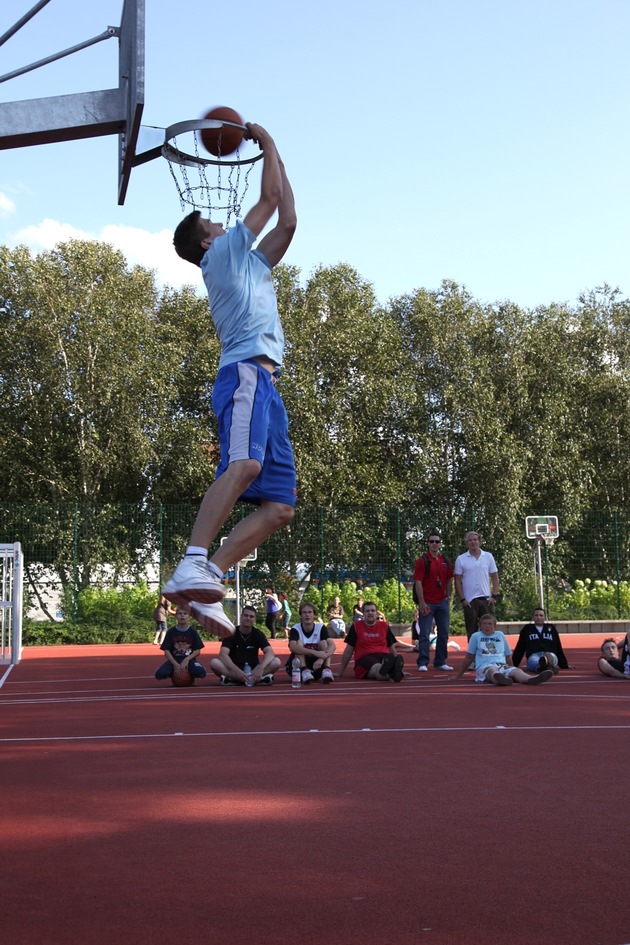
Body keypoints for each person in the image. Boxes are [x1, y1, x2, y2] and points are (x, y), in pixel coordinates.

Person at [162, 123, 297, 640]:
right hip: (243, 373)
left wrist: (280, 160)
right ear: (205, 239)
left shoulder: (251, 263)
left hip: (268, 382)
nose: (221, 223)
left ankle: (209, 574)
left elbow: (287, 218)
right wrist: (268, 143)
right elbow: (266, 197)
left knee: (280, 507)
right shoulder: (219, 255)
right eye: (214, 223)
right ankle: (192, 559)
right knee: (243, 463)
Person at [452, 613, 553, 686]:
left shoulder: (500, 635)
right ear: (480, 626)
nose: (487, 626)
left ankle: (531, 679)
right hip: (484, 666)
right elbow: (469, 657)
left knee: (516, 671)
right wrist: (458, 676)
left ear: (494, 626)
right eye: (484, 624)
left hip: (501, 664)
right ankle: (500, 679)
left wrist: (512, 667)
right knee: (492, 671)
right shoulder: (476, 636)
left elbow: (508, 655)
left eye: (490, 624)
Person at [413, 531, 454, 672]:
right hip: (428, 602)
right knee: (424, 633)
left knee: (443, 633)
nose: (434, 544)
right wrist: (422, 602)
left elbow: (450, 579)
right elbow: (418, 582)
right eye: (432, 541)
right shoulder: (422, 560)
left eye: (437, 541)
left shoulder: (445, 561)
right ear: (428, 543)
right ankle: (423, 662)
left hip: (442, 602)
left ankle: (440, 661)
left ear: (440, 544)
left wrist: (448, 595)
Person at [209, 604, 281, 685]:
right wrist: (237, 671)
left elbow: (270, 652)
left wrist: (261, 668)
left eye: (251, 616)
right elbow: (223, 654)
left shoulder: (258, 634)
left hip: (254, 670)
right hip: (234, 670)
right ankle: (254, 680)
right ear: (241, 617)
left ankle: (234, 680)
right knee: (214, 663)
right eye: (246, 615)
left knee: (276, 662)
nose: (248, 618)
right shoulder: (231, 633)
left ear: (255, 619)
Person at [338, 601, 404, 682]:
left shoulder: (384, 626)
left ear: (376, 613)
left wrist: (396, 660)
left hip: (384, 656)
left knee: (386, 660)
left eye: (372, 611)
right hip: (364, 658)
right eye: (367, 611)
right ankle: (391, 673)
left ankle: (393, 670)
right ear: (363, 613)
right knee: (377, 668)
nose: (370, 613)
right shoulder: (356, 626)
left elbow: (391, 647)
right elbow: (349, 650)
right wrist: (340, 672)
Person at [453, 532, 500, 640]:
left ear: (479, 541)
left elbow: (495, 577)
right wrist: (463, 599)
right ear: (466, 543)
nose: (473, 542)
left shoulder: (488, 557)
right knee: (472, 631)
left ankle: (491, 654)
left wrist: (494, 596)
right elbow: (457, 581)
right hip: (470, 601)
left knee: (490, 630)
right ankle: (473, 655)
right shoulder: (461, 559)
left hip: (486, 600)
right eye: (470, 540)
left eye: (475, 539)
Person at [154, 603, 207, 684]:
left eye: (185, 614)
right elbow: (166, 651)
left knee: (201, 673)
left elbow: (197, 651)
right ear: (176, 616)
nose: (182, 616)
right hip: (174, 659)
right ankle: (172, 674)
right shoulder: (171, 632)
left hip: (189, 659)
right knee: (160, 674)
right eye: (180, 613)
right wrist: (175, 664)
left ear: (189, 617)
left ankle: (192, 676)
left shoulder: (192, 632)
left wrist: (186, 659)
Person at [286, 602, 336, 684]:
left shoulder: (321, 627)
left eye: (310, 612)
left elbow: (332, 646)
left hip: (317, 666)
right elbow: (292, 647)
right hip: (298, 668)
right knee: (299, 643)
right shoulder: (295, 629)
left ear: (314, 615)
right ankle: (304, 670)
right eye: (304, 612)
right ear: (300, 616)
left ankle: (326, 669)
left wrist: (321, 658)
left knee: (324, 643)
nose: (307, 615)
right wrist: (315, 652)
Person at [512, 608, 573, 674]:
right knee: (534, 661)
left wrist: (564, 665)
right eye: (536, 615)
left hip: (549, 653)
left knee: (551, 657)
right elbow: (520, 647)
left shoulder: (551, 628)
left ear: (545, 618)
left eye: (541, 615)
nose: (538, 617)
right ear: (533, 617)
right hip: (534, 655)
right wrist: (513, 665)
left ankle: (544, 667)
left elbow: (558, 646)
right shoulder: (527, 629)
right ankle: (545, 666)